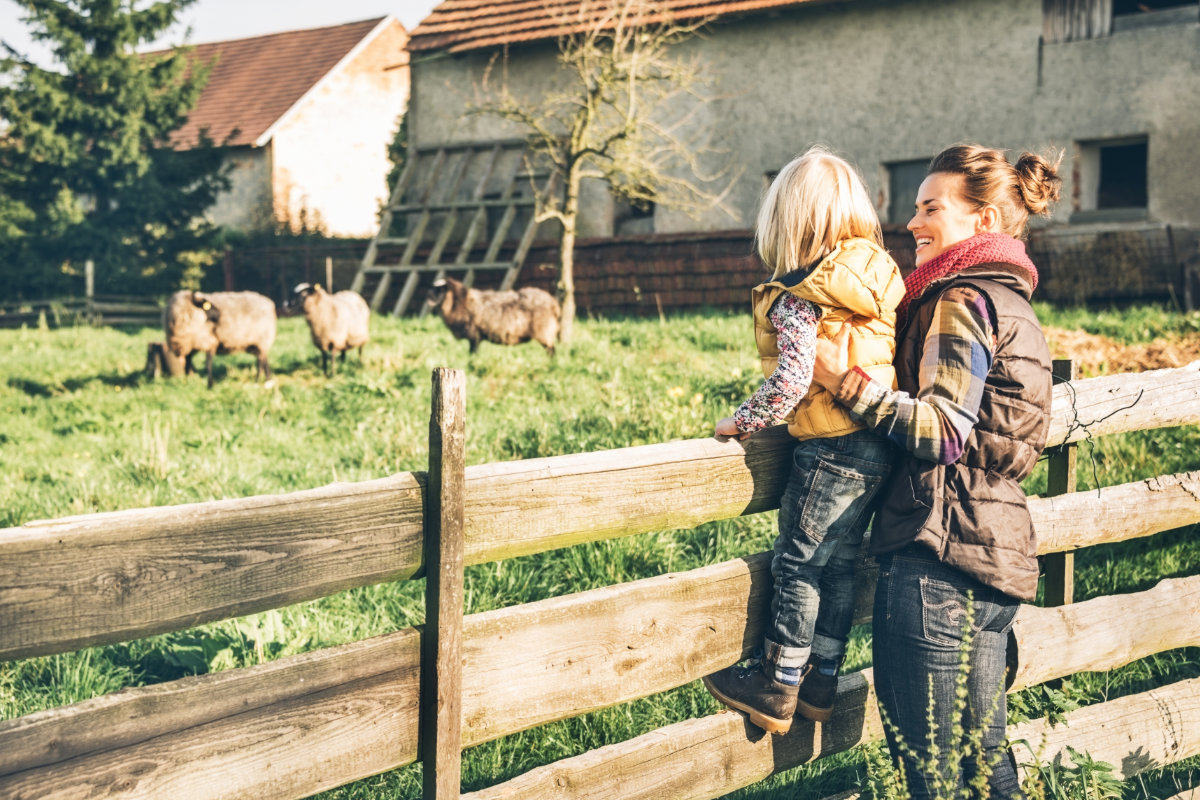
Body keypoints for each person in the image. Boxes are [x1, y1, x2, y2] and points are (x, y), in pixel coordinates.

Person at [812, 144, 1062, 798]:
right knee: (978, 766)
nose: (912, 223)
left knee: (942, 777)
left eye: (931, 209)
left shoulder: (961, 298)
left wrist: (850, 386)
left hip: (939, 560)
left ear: (982, 223)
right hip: (987, 553)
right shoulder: (1014, 302)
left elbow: (944, 430)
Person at [702, 146, 904, 735]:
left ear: (790, 223)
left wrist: (743, 420)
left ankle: (777, 684)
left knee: (798, 564)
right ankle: (820, 681)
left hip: (830, 442)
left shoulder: (802, 293)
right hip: (878, 439)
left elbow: (792, 378)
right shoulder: (876, 276)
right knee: (838, 566)